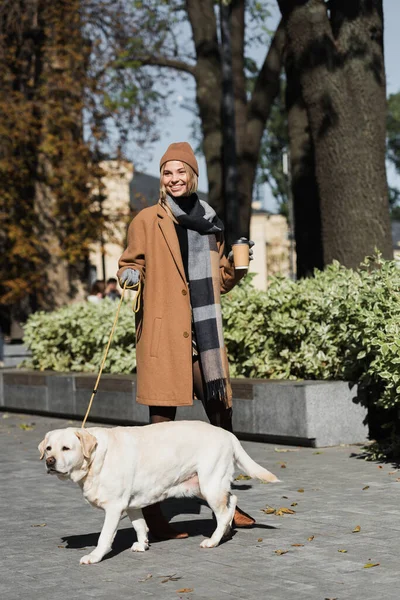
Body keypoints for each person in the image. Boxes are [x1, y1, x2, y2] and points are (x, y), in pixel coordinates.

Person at [117, 142, 254, 539]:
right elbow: (131, 261)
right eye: (167, 172)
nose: (173, 179)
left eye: (181, 172)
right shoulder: (147, 219)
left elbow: (219, 281)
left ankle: (224, 502)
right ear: (161, 178)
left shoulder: (210, 221)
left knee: (221, 416)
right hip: (163, 333)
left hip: (202, 338)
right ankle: (152, 513)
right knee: (160, 429)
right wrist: (130, 275)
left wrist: (236, 267)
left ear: (192, 176)